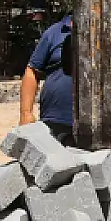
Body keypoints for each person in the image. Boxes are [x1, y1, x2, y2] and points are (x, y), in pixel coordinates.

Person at [19, 13, 74, 145]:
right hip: (56, 119)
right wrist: (26, 113)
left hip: (98, 123)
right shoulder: (55, 32)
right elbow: (32, 71)